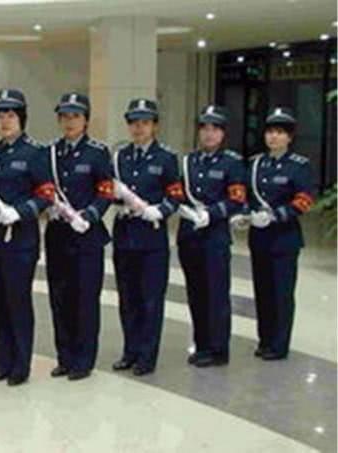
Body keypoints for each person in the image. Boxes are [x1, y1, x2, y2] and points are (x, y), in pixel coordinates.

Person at [0, 88, 55, 386]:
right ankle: (2, 361)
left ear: (21, 118)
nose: (5, 121)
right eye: (0, 116)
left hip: (19, 239)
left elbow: (46, 195)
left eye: (10, 115)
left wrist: (19, 212)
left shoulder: (35, 153)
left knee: (17, 301)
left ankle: (20, 364)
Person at [111, 99, 184, 376]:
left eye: (144, 122)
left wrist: (160, 211)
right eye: (134, 123)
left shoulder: (166, 157)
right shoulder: (120, 156)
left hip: (151, 238)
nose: (138, 128)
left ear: (155, 125)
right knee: (127, 297)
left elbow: (175, 196)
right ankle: (130, 351)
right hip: (125, 234)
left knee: (150, 299)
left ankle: (147, 355)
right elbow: (108, 190)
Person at [45, 92, 114, 381]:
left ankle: (83, 360)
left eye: (75, 116)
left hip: (87, 235)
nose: (69, 122)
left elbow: (106, 191)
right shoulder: (50, 152)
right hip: (58, 234)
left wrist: (90, 215)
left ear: (86, 120)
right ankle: (65, 356)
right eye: (64, 116)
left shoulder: (97, 152)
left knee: (85, 298)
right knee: (59, 296)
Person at [177, 104, 246, 367]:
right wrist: (183, 209)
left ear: (223, 133)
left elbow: (236, 199)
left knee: (216, 294)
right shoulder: (189, 161)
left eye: (215, 128)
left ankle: (218, 349)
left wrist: (212, 213)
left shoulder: (232, 162)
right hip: (189, 235)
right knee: (196, 293)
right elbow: (178, 192)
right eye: (204, 128)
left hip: (214, 237)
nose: (209, 133)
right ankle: (202, 344)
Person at [246, 107, 314, 360]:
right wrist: (246, 214)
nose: (273, 137)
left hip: (284, 238)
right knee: (262, 291)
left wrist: (276, 215)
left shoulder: (299, 166)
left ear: (289, 137)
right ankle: (265, 339)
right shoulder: (256, 164)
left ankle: (279, 344)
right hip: (259, 237)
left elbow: (305, 200)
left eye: (280, 132)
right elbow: (247, 196)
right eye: (270, 132)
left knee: (281, 293)